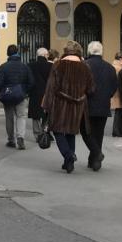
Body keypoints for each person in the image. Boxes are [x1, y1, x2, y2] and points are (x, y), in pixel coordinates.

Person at [42, 41, 94, 173]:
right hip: (78, 105)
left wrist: (46, 105)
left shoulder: (58, 65)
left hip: (60, 103)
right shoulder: (85, 66)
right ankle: (68, 164)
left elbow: (51, 87)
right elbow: (91, 88)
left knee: (58, 130)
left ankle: (68, 155)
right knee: (71, 132)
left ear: (65, 51)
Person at [82, 41, 118, 171]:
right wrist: (106, 96)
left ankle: (96, 154)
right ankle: (95, 162)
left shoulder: (85, 65)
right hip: (103, 104)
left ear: (89, 51)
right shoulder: (109, 67)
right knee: (98, 133)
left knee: (85, 131)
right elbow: (114, 86)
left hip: (87, 104)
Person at [0, 44, 34, 149]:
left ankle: (11, 140)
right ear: (18, 53)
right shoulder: (25, 66)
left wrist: (2, 91)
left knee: (9, 118)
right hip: (21, 95)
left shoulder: (3, 67)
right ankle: (20, 137)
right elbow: (31, 82)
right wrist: (25, 92)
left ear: (8, 54)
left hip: (7, 96)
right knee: (21, 116)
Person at [28, 47, 52, 142]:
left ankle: (37, 134)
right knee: (47, 113)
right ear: (45, 55)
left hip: (34, 93)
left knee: (35, 115)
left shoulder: (30, 65)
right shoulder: (50, 66)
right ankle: (45, 131)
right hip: (47, 93)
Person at [111, 52, 122, 137]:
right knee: (119, 112)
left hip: (116, 92)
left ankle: (118, 130)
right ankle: (117, 131)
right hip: (118, 93)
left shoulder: (114, 66)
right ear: (121, 59)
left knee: (119, 112)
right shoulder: (119, 68)